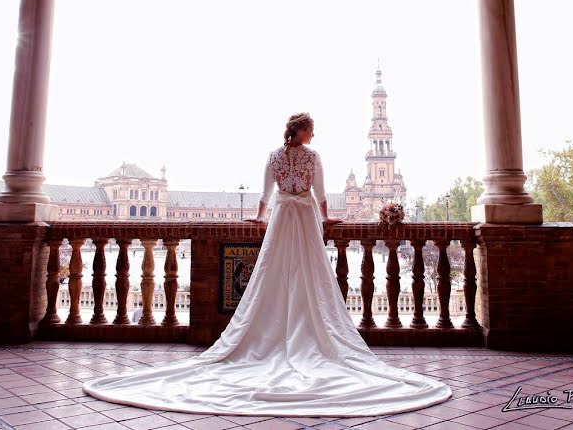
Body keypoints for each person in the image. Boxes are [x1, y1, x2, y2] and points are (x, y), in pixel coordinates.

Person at [83, 113, 451, 416]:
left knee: (271, 273)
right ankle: (308, 330)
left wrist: (259, 218)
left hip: (280, 216)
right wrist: (327, 218)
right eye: (312, 129)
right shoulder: (313, 157)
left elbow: (265, 195)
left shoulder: (274, 156)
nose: (314, 133)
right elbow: (321, 195)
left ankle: (268, 333)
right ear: (302, 131)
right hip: (305, 216)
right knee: (311, 272)